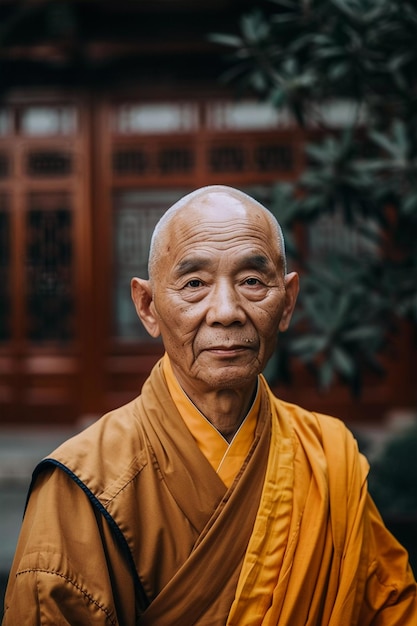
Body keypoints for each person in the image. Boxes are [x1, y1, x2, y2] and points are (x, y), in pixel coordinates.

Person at [2, 185, 416, 625]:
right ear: (147, 306)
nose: (226, 311)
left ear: (288, 301)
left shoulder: (326, 457)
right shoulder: (84, 483)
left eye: (252, 281)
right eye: (195, 283)